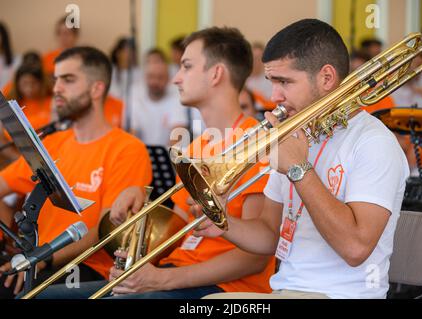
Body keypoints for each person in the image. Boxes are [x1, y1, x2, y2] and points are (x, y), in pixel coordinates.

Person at [35, 26, 275, 299]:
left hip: (223, 288)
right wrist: (136, 238)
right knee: (46, 296)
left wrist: (163, 279)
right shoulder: (196, 147)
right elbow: (177, 229)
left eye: (186, 66)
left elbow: (255, 258)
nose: (176, 78)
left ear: (216, 73)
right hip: (177, 274)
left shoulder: (256, 145)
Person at [195, 19, 409, 299]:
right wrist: (223, 225)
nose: (274, 96)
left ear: (327, 78)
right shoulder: (296, 136)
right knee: (206, 304)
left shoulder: (374, 142)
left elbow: (355, 248)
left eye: (285, 82)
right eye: (272, 82)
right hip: (285, 291)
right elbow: (269, 234)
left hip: (344, 296)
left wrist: (299, 169)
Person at [0, 46, 152, 298]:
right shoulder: (53, 142)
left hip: (83, 267)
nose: (57, 87)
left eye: (68, 79)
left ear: (96, 88)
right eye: (56, 79)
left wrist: (39, 260)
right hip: (35, 259)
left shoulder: (127, 149)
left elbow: (104, 231)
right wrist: (11, 242)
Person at [128, 57, 188, 147]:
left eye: (160, 77)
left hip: (169, 157)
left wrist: (166, 156)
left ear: (168, 79)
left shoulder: (177, 99)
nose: (155, 82)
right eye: (151, 76)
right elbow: (133, 134)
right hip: (142, 155)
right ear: (145, 77)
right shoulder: (137, 100)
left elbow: (178, 134)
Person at [246, 42, 276, 111]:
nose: (256, 62)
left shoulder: (271, 80)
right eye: (254, 58)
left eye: (260, 58)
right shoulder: (243, 81)